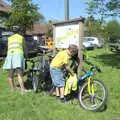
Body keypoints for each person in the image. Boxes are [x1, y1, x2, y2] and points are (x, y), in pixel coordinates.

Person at [3, 25, 29, 93]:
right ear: (19, 31)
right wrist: (26, 56)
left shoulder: (9, 38)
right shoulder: (21, 37)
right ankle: (23, 90)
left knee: (10, 74)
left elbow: (7, 47)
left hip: (10, 55)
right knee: (19, 73)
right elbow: (25, 47)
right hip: (18, 55)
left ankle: (13, 89)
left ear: (12, 31)